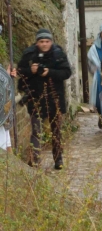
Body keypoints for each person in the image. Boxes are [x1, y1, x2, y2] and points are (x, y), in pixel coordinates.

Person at [14, 29, 72, 170]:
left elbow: (67, 72)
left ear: (51, 42)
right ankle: (35, 160)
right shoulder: (29, 54)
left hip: (55, 98)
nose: (44, 44)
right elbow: (19, 71)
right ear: (36, 42)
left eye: (47, 41)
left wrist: (49, 72)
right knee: (36, 131)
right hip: (36, 97)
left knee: (56, 131)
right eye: (41, 41)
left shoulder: (58, 54)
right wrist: (31, 71)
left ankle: (58, 160)